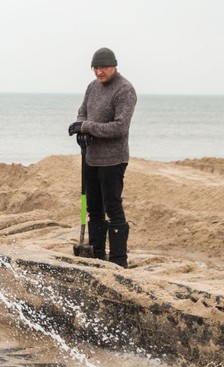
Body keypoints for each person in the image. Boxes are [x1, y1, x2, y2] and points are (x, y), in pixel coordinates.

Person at [68, 47, 137, 268]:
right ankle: (97, 255)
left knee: (113, 208)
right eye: (96, 68)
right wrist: (81, 132)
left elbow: (119, 127)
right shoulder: (92, 87)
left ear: (114, 66)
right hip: (91, 157)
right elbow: (82, 113)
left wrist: (87, 127)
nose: (99, 72)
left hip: (113, 159)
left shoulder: (125, 90)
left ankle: (119, 261)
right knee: (93, 208)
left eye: (103, 68)